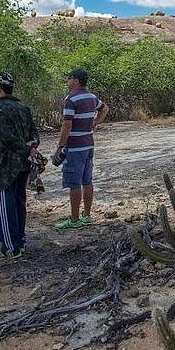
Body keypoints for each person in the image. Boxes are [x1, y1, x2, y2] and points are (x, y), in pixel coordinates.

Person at [0, 72, 39, 258]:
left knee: (4, 206)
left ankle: (10, 247)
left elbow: (6, 137)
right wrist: (31, 148)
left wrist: (25, 149)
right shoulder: (22, 106)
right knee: (18, 203)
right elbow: (34, 132)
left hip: (3, 165)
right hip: (22, 165)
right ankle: (19, 241)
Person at [54, 68, 108, 230]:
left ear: (76, 81)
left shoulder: (71, 99)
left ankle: (75, 219)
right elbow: (104, 108)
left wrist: (60, 146)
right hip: (89, 144)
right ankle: (87, 215)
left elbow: (67, 124)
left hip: (75, 147)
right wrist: (95, 122)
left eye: (69, 78)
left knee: (74, 183)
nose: (68, 81)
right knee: (87, 180)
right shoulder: (91, 97)